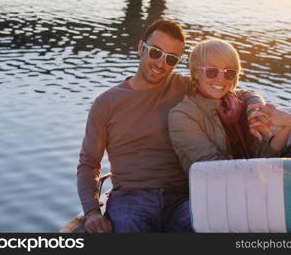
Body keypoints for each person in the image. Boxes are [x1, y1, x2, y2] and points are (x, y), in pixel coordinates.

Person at [77, 20, 267, 233]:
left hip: (183, 197)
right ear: (141, 48)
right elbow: (89, 163)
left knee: (219, 225)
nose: (161, 64)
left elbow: (238, 93)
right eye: (155, 52)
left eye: (171, 59)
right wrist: (92, 211)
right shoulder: (107, 103)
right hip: (131, 197)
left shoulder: (184, 86)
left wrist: (255, 108)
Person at [168, 38, 291, 174]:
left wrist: (286, 125)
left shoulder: (236, 103)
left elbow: (265, 156)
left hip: (257, 177)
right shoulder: (182, 115)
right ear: (196, 73)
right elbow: (214, 169)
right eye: (212, 71)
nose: (221, 80)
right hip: (224, 191)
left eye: (229, 73)